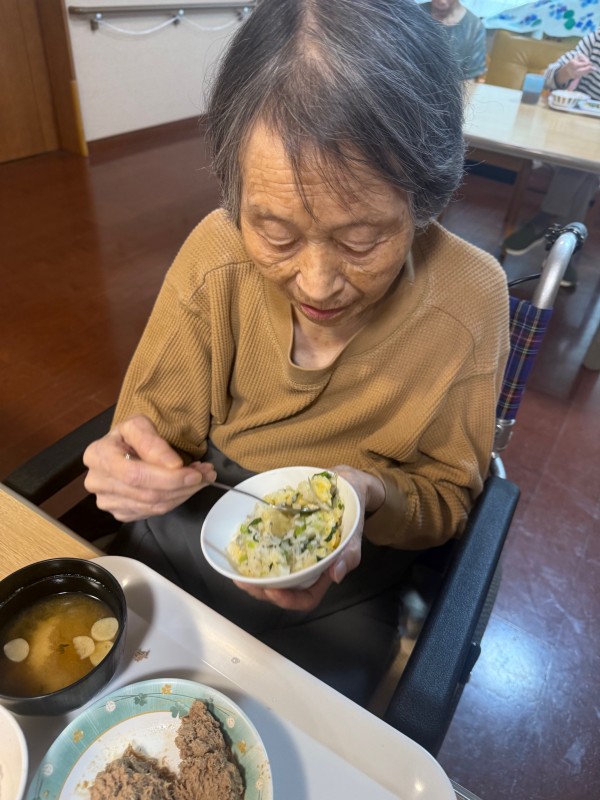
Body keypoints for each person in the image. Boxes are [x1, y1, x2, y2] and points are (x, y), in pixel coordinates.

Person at [82, 0, 509, 701]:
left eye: (361, 240)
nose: (316, 283)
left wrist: (368, 496)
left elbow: (446, 497)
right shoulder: (216, 255)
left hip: (351, 580)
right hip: (191, 530)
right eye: (276, 234)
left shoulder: (468, 298)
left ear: (426, 199)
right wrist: (130, 470)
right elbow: (145, 436)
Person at [502, 27, 600, 284]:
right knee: (585, 165)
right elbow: (548, 77)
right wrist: (566, 72)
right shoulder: (596, 39)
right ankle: (566, 251)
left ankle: (545, 220)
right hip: (567, 135)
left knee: (588, 164)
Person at [421, 0, 488, 81]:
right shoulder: (414, 14)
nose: (442, 1)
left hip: (454, 86)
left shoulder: (474, 27)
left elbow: (471, 77)